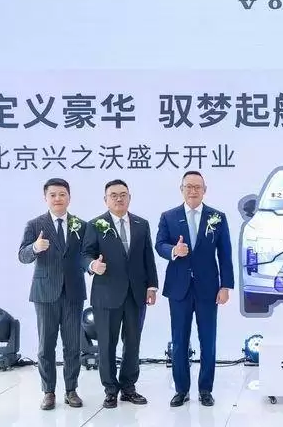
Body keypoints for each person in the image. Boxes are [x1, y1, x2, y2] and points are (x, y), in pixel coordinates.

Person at [155, 171, 234, 407]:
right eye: (188, 186)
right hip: (178, 289)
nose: (193, 191)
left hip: (208, 288)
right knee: (179, 340)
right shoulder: (168, 216)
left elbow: (225, 254)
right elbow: (159, 244)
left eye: (197, 187)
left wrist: (226, 285)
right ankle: (181, 390)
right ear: (181, 189)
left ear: (204, 190)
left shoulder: (217, 217)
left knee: (208, 340)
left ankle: (205, 389)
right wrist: (173, 251)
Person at [81, 179, 159, 409]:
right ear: (105, 199)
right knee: (107, 344)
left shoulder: (142, 224)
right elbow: (84, 254)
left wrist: (152, 286)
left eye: (123, 194)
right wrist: (92, 265)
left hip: (136, 294)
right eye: (113, 195)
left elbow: (148, 258)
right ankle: (110, 390)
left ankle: (128, 387)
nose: (118, 198)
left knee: (133, 342)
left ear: (129, 197)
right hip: (106, 294)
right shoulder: (95, 225)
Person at [18, 178, 87, 410]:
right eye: (53, 195)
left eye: (62, 194)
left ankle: (71, 390)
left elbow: (86, 255)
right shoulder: (35, 224)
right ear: (45, 198)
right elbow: (22, 255)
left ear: (69, 197)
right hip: (45, 293)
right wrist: (35, 248)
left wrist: (92, 266)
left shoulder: (81, 225)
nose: (58, 199)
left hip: (73, 292)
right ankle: (48, 391)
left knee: (73, 346)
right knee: (45, 346)